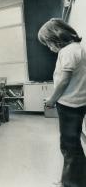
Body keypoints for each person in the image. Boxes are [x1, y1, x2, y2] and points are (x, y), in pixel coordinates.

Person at [39, 18, 86, 187]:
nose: (50, 48)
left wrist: (52, 100)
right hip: (77, 103)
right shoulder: (77, 49)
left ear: (57, 37)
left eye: (49, 44)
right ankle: (71, 179)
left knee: (69, 146)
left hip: (69, 104)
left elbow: (64, 81)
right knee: (70, 144)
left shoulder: (67, 51)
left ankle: (72, 183)